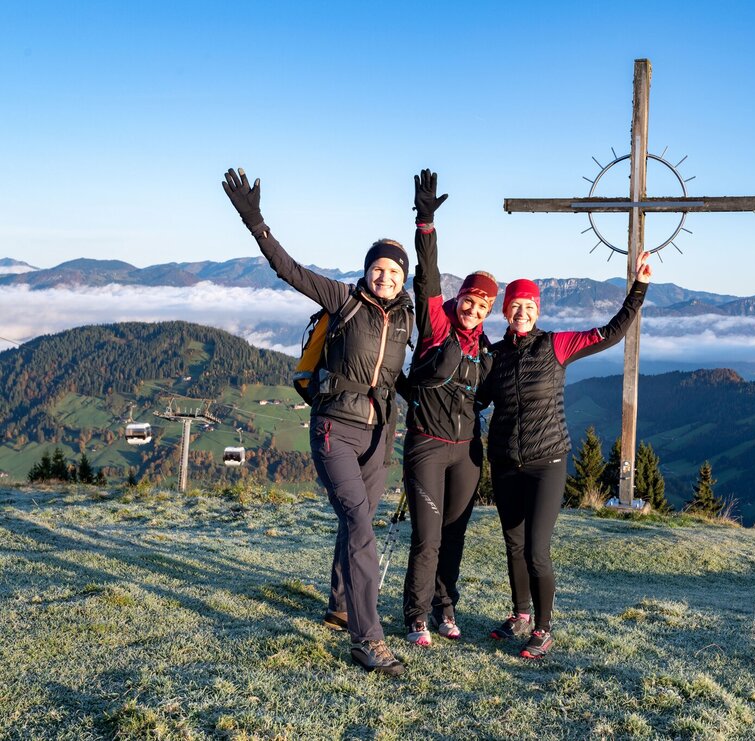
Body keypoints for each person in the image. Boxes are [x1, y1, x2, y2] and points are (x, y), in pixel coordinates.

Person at [222, 167, 411, 677]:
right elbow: (289, 270)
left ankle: (339, 606)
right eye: (379, 269)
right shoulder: (343, 300)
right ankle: (367, 639)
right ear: (367, 270)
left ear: (403, 278)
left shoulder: (408, 318)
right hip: (334, 427)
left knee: (359, 523)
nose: (385, 277)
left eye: (395, 272)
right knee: (359, 525)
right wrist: (255, 221)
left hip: (379, 434)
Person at [478, 251, 653, 659]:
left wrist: (639, 288)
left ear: (537, 310)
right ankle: (520, 614)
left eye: (529, 306)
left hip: (547, 462)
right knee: (513, 543)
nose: (522, 312)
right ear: (505, 312)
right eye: (515, 306)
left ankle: (542, 628)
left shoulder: (557, 345)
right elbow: (475, 398)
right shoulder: (495, 356)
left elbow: (611, 332)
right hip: (505, 462)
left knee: (536, 549)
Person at [400, 169, 495, 646]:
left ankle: (445, 609)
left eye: (482, 307)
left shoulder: (487, 350)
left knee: (454, 537)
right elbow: (428, 278)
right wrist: (425, 224)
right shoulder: (437, 326)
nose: (472, 311)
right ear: (459, 301)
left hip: (467, 454)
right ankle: (415, 615)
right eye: (469, 301)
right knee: (429, 537)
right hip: (427, 447)